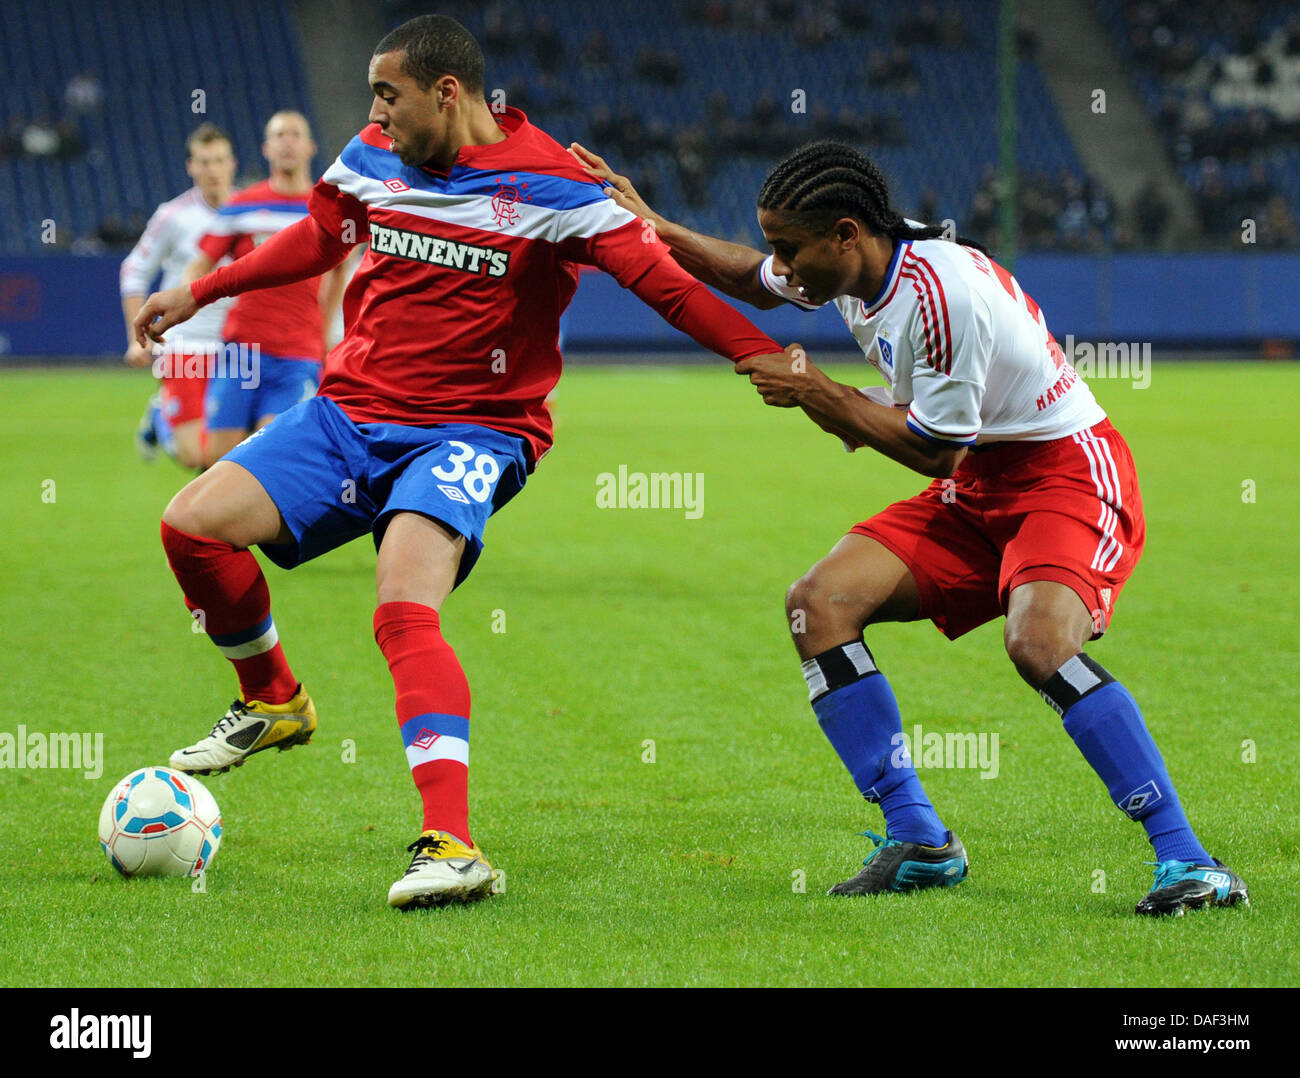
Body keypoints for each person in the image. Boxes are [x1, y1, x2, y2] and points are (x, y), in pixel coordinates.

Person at [133, 15, 788, 910]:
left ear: (448, 93)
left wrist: (766, 357)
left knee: (403, 608)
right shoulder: (372, 155)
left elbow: (666, 287)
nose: (375, 114)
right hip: (348, 413)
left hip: (474, 430)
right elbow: (319, 239)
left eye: (389, 96)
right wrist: (196, 292)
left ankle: (452, 845)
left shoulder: (556, 186)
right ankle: (274, 698)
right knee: (191, 528)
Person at [570, 139, 1248, 917]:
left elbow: (932, 450)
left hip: (1063, 472)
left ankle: (1190, 861)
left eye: (790, 247)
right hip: (981, 480)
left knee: (1039, 644)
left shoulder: (940, 297)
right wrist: (653, 223)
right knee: (817, 604)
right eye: (775, 244)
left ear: (846, 234)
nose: (781, 264)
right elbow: (749, 283)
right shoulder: (855, 265)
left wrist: (817, 392)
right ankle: (920, 838)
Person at [184, 110, 348, 469]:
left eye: (295, 134)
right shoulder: (242, 205)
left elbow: (341, 268)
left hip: (298, 356)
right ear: (266, 148)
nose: (287, 141)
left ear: (310, 146)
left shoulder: (328, 208)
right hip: (243, 352)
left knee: (269, 460)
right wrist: (185, 308)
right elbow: (198, 266)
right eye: (279, 135)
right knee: (217, 463)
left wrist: (323, 330)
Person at [121, 123, 237, 469]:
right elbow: (134, 271)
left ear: (232, 163)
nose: (212, 170)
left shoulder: (251, 212)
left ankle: (160, 411)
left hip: (238, 345)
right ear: (191, 167)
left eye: (219, 160)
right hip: (184, 344)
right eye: (204, 162)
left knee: (229, 458)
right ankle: (161, 417)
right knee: (196, 458)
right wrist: (134, 337)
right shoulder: (173, 215)